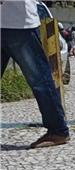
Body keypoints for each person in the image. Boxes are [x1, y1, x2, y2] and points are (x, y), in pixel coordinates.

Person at [1, 0, 70, 148]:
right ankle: (58, 130)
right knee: (40, 79)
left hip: (19, 24)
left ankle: (58, 130)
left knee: (40, 80)